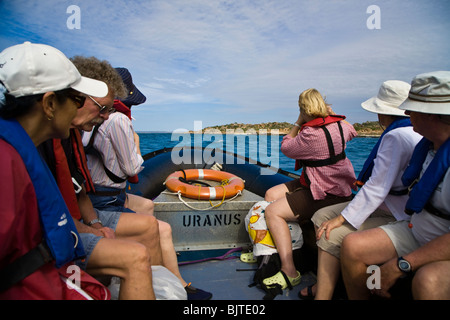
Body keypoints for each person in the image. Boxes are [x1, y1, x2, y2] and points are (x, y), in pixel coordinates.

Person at [82, 66, 212, 300]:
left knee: (147, 206)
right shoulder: (118, 119)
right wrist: (136, 142)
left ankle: (174, 281)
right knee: (161, 228)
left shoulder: (90, 121)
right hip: (105, 201)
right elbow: (132, 168)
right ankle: (170, 287)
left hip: (100, 195)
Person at [38, 56, 160, 299]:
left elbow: (77, 190)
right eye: (102, 108)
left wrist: (94, 225)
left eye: (110, 108)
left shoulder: (69, 138)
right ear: (53, 103)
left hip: (86, 212)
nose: (105, 116)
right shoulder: (40, 144)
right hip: (55, 237)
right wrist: (91, 228)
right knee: (138, 252)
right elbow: (132, 168)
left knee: (147, 215)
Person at [0, 41, 109, 299]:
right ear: (49, 105)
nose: (80, 108)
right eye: (77, 99)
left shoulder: (23, 151)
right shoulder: (6, 164)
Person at [303, 80, 422, 299]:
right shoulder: (412, 133)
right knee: (321, 216)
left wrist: (343, 219)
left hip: (395, 212)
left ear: (381, 113)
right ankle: (325, 284)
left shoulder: (395, 137)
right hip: (391, 204)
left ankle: (325, 294)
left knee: (331, 234)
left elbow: (376, 187)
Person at [340, 71, 450, 300]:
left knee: (428, 280)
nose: (406, 114)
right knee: (352, 246)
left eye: (412, 109)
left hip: (441, 244)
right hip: (416, 231)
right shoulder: (429, 148)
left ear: (432, 116)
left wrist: (403, 264)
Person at [262, 88, 357, 290]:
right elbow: (352, 129)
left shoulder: (310, 134)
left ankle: (289, 270)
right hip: (324, 183)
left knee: (272, 212)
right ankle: (284, 243)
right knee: (271, 194)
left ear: (303, 109)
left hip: (324, 192)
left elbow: (286, 146)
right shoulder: (341, 126)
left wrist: (298, 121)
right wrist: (331, 114)